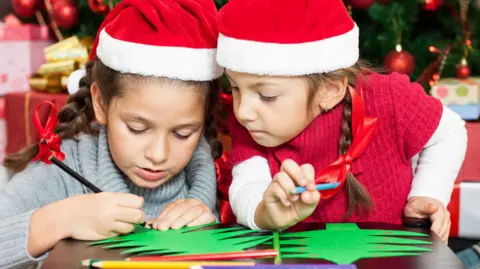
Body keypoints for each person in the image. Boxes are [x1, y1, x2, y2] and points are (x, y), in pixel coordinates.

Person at [215, 0, 467, 243]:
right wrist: (264, 213)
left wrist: (427, 194)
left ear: (330, 91)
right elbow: (246, 186)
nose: (243, 111)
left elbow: (449, 132)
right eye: (235, 88)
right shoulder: (253, 125)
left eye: (267, 95)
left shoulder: (388, 99)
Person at [0, 0, 223, 267]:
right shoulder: (62, 172)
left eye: (183, 134)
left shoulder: (213, 177)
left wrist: (212, 237)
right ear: (101, 104)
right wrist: (59, 220)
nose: (158, 155)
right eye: (137, 129)